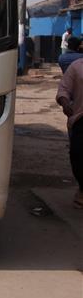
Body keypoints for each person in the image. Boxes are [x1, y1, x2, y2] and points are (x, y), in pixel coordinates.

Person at [56, 58, 83, 209]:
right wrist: (65, 103)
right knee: (77, 154)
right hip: (81, 119)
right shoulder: (77, 66)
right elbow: (63, 89)